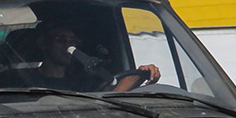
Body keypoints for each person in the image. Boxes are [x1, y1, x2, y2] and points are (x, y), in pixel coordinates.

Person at [17, 22, 160, 92]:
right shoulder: (25, 82)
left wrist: (140, 73)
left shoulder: (84, 82)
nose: (67, 45)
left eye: (72, 41)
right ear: (43, 43)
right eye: (60, 39)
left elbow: (110, 100)